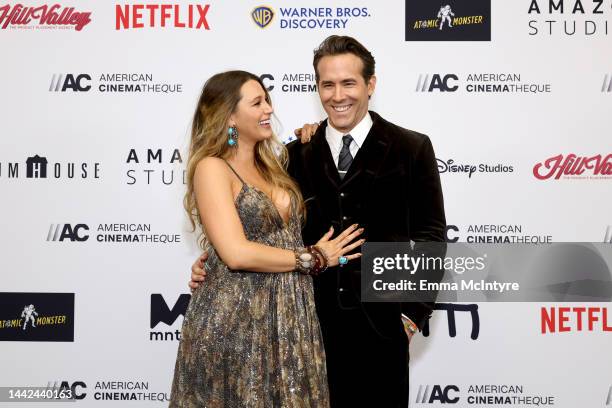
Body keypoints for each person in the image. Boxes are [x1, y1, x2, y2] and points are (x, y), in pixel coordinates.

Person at [190, 36, 446, 407]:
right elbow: (253, 228)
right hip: (302, 330)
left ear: (370, 85)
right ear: (317, 87)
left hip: (382, 329)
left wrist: (411, 315)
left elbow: (430, 237)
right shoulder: (292, 155)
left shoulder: (411, 147)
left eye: (348, 83)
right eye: (327, 84)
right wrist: (211, 262)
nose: (337, 95)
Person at [170, 70, 364, 408]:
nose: (268, 110)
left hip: (290, 315)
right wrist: (313, 257)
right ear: (229, 115)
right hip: (236, 321)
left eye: (268, 100)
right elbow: (235, 253)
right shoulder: (212, 168)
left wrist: (317, 134)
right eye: (257, 102)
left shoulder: (276, 162)